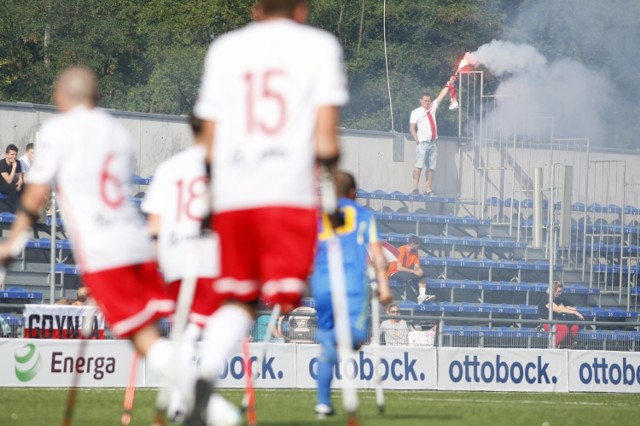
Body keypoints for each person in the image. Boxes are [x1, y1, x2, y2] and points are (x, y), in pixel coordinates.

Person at [189, 0, 349, 423]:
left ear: (256, 9)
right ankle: (206, 381)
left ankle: (204, 375)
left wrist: (208, 193)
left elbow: (209, 132)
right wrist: (333, 193)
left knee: (238, 295)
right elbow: (327, 138)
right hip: (288, 192)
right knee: (281, 294)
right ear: (302, 9)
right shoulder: (320, 46)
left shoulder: (225, 47)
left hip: (235, 191)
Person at [0, 66, 175, 380]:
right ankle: (195, 393)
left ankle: (196, 381)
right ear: (96, 96)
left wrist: (12, 242)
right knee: (145, 331)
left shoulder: (59, 130)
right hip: (136, 240)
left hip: (102, 247)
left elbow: (36, 194)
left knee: (143, 337)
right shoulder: (119, 133)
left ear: (59, 97)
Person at [141, 113, 222, 422]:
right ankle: (196, 395)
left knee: (185, 330)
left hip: (175, 257)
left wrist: (153, 264)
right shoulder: (226, 168)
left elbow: (153, 224)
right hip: (212, 257)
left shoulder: (170, 168)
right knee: (206, 329)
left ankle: (178, 401)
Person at [311, 170, 392, 418]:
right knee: (354, 338)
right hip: (352, 286)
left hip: (322, 284)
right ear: (353, 193)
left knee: (329, 347)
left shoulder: (319, 216)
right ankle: (341, 338)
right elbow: (378, 256)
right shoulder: (365, 215)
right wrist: (385, 287)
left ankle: (323, 404)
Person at [408, 78, 454, 196]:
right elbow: (412, 127)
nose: (427, 102)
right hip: (422, 143)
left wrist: (448, 84)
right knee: (418, 166)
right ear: (420, 101)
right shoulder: (416, 112)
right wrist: (417, 141)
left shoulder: (432, 107)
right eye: (425, 101)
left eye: (428, 100)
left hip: (433, 143)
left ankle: (428, 189)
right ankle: (415, 189)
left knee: (431, 168)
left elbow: (441, 96)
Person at [386, 235, 435, 304]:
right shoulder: (402, 250)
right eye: (418, 246)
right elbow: (399, 268)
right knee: (407, 277)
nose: (419, 248)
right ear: (413, 245)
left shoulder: (415, 252)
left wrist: (419, 270)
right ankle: (416, 296)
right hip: (394, 272)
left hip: (404, 271)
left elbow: (417, 266)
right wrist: (414, 271)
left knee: (422, 275)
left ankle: (422, 295)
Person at [538, 280, 584, 349]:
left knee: (575, 327)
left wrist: (570, 309)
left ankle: (567, 349)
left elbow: (562, 308)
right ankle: (552, 348)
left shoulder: (557, 299)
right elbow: (559, 310)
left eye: (561, 291)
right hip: (545, 322)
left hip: (556, 322)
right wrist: (574, 312)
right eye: (558, 291)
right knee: (563, 328)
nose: (560, 293)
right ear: (553, 290)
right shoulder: (546, 298)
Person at [0, 144, 24, 212]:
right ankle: (13, 209)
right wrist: (14, 167)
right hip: (2, 185)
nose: (14, 157)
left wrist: (19, 183)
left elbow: (20, 177)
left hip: (12, 184)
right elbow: (9, 181)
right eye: (12, 154)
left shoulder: (18, 162)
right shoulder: (2, 164)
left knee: (25, 186)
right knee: (14, 187)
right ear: (6, 154)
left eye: (15, 154)